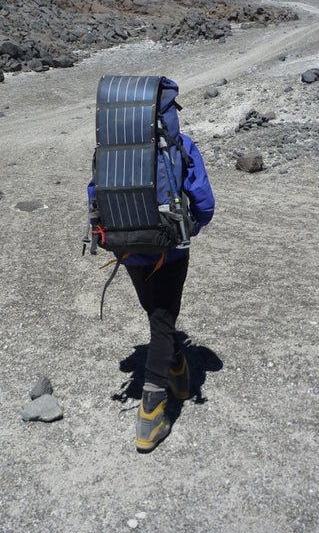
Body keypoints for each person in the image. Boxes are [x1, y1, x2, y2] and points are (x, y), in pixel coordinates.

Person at [87, 116, 215, 452]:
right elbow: (204, 200)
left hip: (126, 246)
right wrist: (190, 228)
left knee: (157, 314)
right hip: (169, 248)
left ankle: (180, 375)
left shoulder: (112, 148)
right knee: (162, 321)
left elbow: (94, 193)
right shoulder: (179, 144)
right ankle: (150, 417)